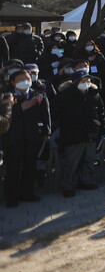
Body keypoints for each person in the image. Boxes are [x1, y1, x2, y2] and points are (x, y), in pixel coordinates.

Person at [2, 68, 51, 206]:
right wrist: (23, 106)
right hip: (13, 136)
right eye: (21, 80)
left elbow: (45, 114)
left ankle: (27, 193)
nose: (25, 82)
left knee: (30, 166)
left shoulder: (39, 94)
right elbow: (6, 114)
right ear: (13, 82)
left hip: (33, 135)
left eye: (27, 79)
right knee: (13, 167)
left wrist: (46, 132)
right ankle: (12, 197)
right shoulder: (8, 96)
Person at [57, 71, 104, 197]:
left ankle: (85, 181)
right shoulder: (66, 94)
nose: (86, 83)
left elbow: (101, 111)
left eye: (88, 80)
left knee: (89, 160)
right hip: (73, 134)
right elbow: (59, 105)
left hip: (91, 132)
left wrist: (102, 127)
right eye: (83, 81)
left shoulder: (94, 93)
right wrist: (73, 88)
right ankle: (69, 186)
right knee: (72, 163)